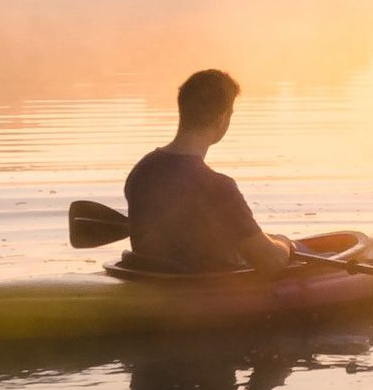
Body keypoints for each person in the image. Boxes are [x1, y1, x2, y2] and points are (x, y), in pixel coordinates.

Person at [124, 69, 295, 275]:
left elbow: (181, 233)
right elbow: (271, 261)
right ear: (223, 117)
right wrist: (285, 243)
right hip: (199, 293)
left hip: (154, 282)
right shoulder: (218, 187)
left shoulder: (142, 171)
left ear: (183, 110)